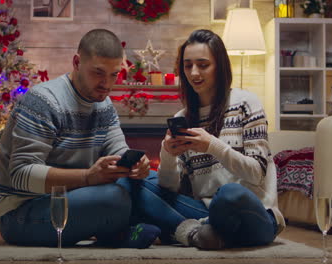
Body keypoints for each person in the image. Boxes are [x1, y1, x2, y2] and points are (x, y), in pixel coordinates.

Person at [0, 29, 160, 249]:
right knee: (113, 198)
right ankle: (121, 232)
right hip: (20, 213)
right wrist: (88, 177)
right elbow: (21, 175)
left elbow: (118, 150)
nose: (106, 84)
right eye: (98, 72)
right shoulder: (43, 101)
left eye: (114, 74)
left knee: (151, 180)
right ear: (77, 62)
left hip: (75, 198)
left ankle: (187, 229)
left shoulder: (104, 105)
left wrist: (136, 166)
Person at [119, 29, 285, 249]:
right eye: (188, 66)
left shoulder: (246, 103)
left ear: (220, 66)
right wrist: (168, 154)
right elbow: (169, 188)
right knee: (133, 182)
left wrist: (212, 146)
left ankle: (182, 230)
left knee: (229, 194)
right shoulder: (183, 117)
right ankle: (198, 233)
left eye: (203, 65)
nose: (194, 73)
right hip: (205, 211)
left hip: (254, 214)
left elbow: (256, 173)